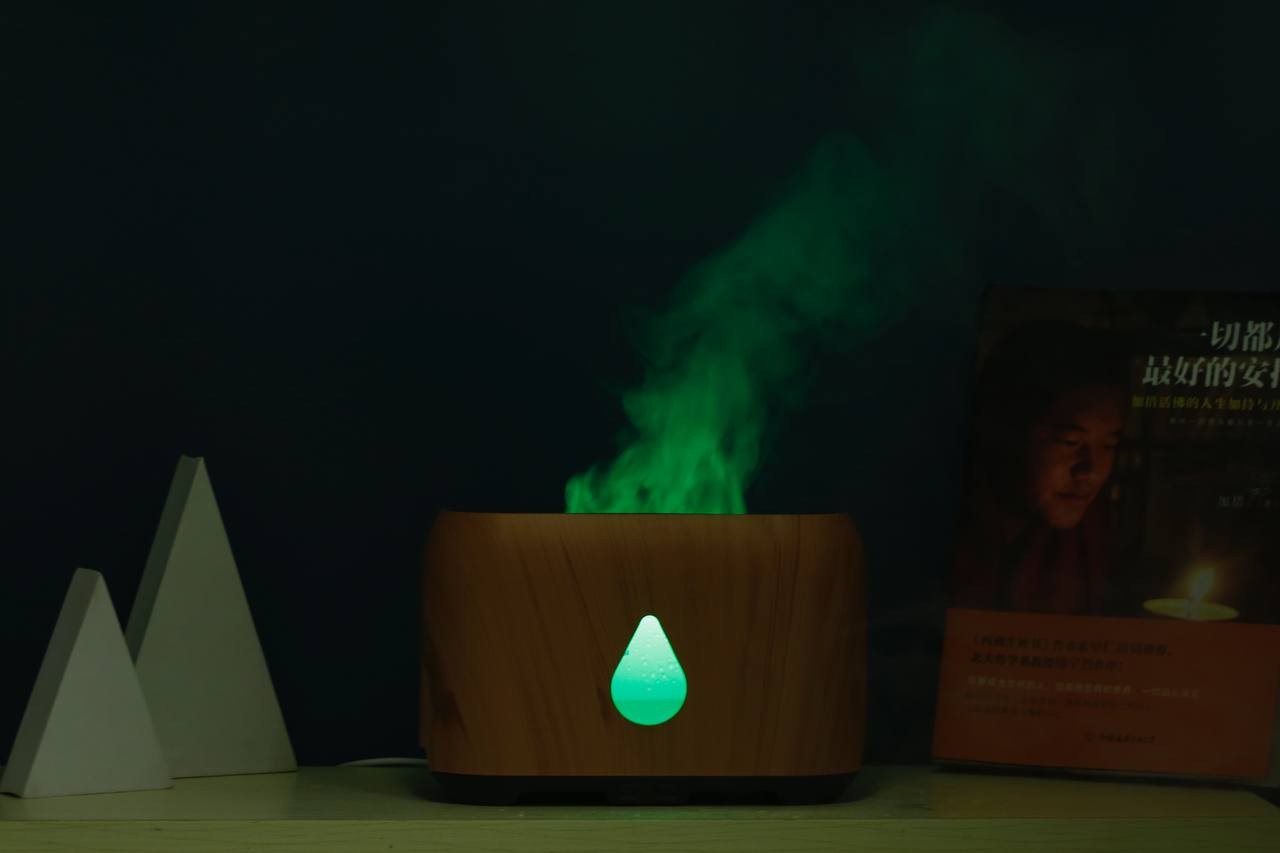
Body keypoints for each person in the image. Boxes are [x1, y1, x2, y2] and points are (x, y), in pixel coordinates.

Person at [950, 320, 1129, 615]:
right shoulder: (945, 523)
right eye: (1070, 442)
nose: (1091, 471)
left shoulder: (1092, 537)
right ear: (1005, 430)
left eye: (1108, 445)